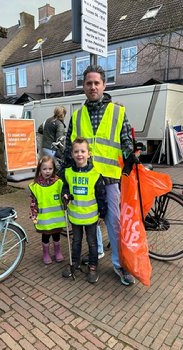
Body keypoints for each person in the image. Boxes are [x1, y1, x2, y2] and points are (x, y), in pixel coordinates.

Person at [63, 65, 139, 286]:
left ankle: (120, 265)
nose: (93, 87)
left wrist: (129, 153)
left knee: (114, 224)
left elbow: (125, 140)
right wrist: (63, 176)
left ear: (104, 85)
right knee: (87, 219)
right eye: (88, 83)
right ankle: (95, 256)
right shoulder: (76, 116)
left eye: (97, 83)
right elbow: (70, 146)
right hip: (83, 179)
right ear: (84, 87)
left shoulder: (117, 112)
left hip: (109, 179)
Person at [61, 137, 107, 284]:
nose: (79, 154)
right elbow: (64, 188)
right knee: (76, 242)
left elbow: (101, 195)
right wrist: (65, 195)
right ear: (72, 154)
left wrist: (103, 213)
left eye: (82, 151)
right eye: (76, 151)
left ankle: (93, 267)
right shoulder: (68, 172)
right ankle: (74, 263)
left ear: (88, 154)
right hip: (75, 216)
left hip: (91, 218)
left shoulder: (95, 174)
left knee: (92, 243)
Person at [29, 156, 66, 265]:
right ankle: (46, 253)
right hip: (44, 218)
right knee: (45, 236)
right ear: (39, 170)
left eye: (50, 168)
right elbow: (33, 202)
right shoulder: (35, 186)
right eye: (44, 169)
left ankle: (57, 251)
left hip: (57, 218)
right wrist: (34, 215)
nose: (47, 171)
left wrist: (66, 200)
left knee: (56, 235)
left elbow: (63, 197)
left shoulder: (59, 183)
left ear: (54, 169)